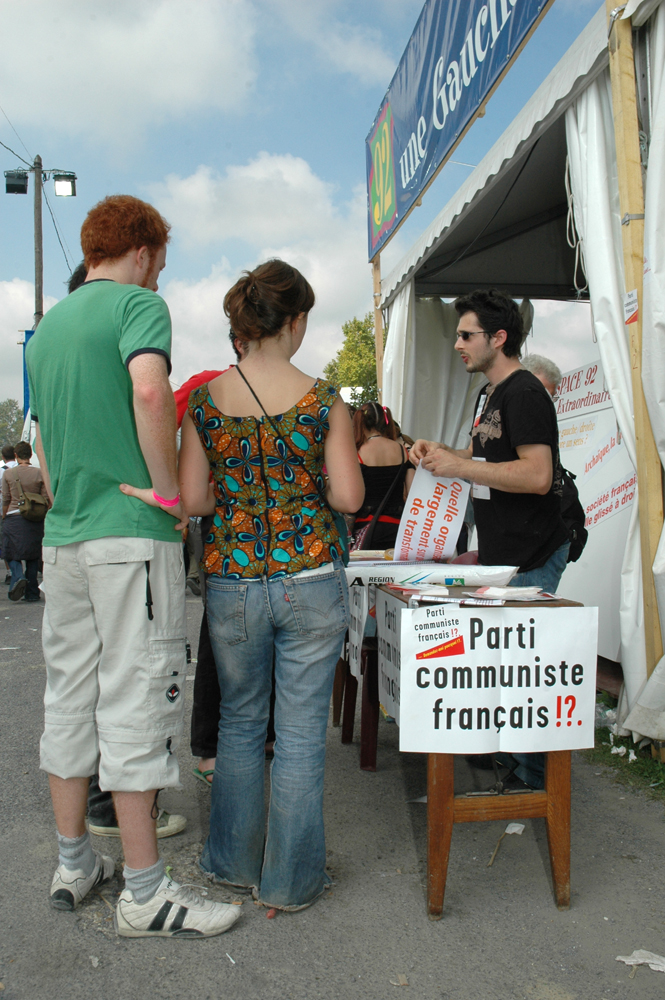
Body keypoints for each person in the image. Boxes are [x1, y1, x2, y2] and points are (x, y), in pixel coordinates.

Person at [26, 194, 240, 939]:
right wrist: (168, 493)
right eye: (160, 264)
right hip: (130, 533)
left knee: (69, 696)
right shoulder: (137, 307)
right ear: (144, 252)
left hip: (67, 535)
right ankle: (147, 893)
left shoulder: (49, 326)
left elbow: (45, 442)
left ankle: (75, 861)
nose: (157, 276)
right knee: (136, 696)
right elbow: (150, 389)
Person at [167, 259, 363, 912]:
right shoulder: (325, 401)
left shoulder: (203, 400)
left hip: (233, 584)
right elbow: (351, 496)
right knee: (301, 733)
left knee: (240, 725)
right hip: (308, 579)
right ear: (298, 320)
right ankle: (290, 881)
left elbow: (193, 498)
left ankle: (231, 863)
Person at [410, 289, 570, 789]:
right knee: (505, 666)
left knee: (527, 676)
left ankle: (536, 784)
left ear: (498, 338)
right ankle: (515, 767)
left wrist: (460, 465)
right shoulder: (488, 394)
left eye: (466, 335)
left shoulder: (524, 392)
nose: (457, 343)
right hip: (505, 551)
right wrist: (444, 452)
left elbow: (538, 475)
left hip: (534, 550)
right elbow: (489, 457)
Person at [352, 402, 414, 550]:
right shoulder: (402, 450)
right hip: (398, 527)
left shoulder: (357, 453)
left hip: (366, 527)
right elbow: (412, 493)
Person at [1, 441, 50, 601]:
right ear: (30, 455)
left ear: (15, 455)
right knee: (32, 555)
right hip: (34, 519)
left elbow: (6, 499)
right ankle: (32, 593)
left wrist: (4, 516)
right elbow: (45, 498)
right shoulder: (40, 473)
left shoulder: (8, 474)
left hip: (14, 517)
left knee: (10, 551)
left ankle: (17, 575)